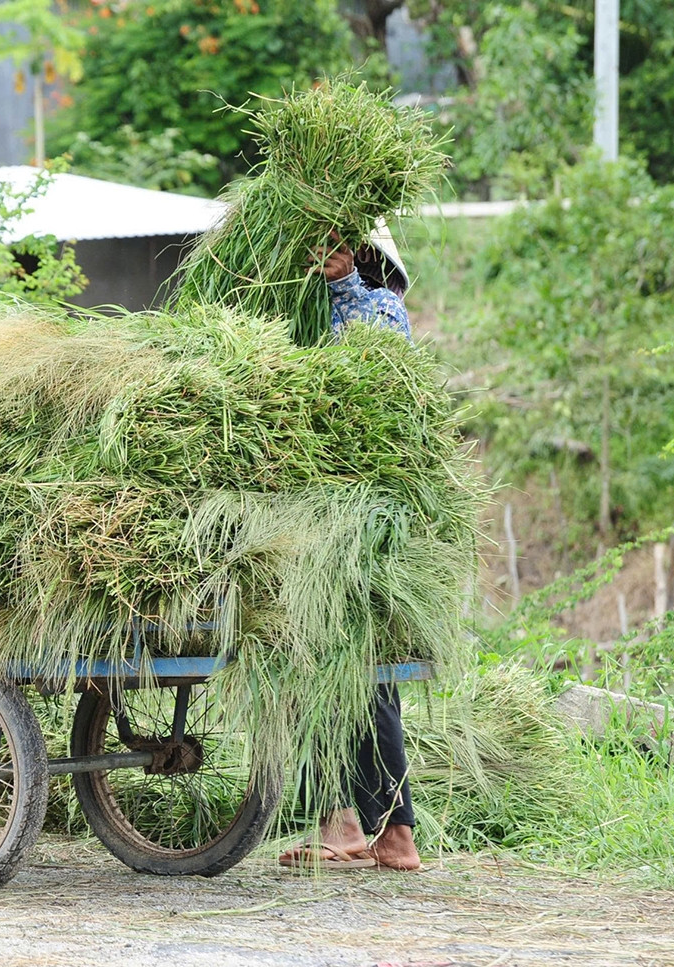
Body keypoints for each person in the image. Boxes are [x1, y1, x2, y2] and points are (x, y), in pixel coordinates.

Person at [277, 224, 421, 873]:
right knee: (323, 669)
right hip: (324, 516)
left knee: (360, 673)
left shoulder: (378, 309)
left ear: (364, 256)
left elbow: (369, 397)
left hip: (359, 520)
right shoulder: (313, 311)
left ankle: (385, 830)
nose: (326, 259)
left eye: (340, 249)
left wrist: (344, 287)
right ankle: (351, 824)